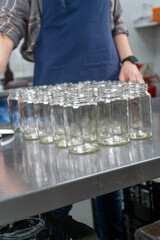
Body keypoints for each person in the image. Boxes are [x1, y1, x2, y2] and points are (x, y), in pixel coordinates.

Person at [0, 0, 144, 239]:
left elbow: (117, 25)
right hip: (54, 109)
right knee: (55, 194)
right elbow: (6, 31)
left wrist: (128, 60)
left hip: (105, 98)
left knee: (110, 189)